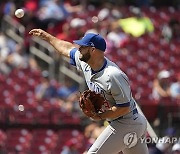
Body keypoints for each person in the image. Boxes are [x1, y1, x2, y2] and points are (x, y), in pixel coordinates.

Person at [29, 29, 149, 154]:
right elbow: (66, 48)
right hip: (130, 123)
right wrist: (47, 36)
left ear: (93, 50)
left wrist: (100, 116)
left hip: (127, 123)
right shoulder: (85, 62)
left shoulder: (112, 75)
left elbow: (124, 108)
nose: (79, 48)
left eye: (83, 46)